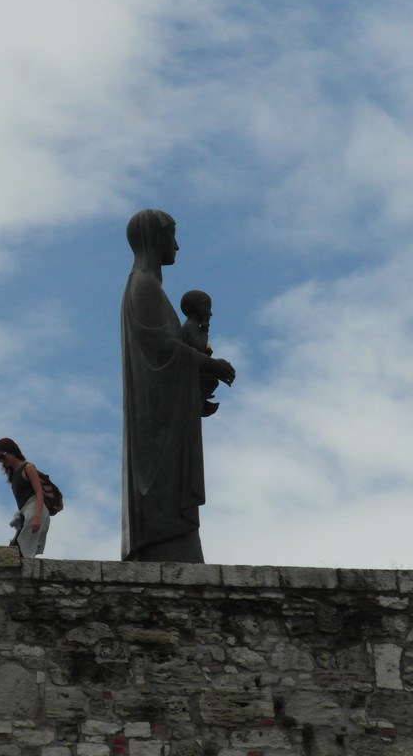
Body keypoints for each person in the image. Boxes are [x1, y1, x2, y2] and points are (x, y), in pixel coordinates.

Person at [121, 210, 235, 563]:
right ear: (156, 238)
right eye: (172, 236)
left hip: (165, 408)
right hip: (157, 420)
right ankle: (167, 544)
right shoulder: (144, 286)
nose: (177, 246)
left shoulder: (147, 286)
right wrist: (212, 364)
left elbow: (169, 354)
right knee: (164, 490)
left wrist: (195, 387)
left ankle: (175, 545)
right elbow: (165, 350)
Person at [0, 437, 50, 557]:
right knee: (17, 548)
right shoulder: (14, 473)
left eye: (2, 457)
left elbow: (39, 492)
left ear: (11, 452)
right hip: (25, 512)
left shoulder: (28, 468)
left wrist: (36, 517)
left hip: (35, 510)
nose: (2, 461)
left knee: (24, 548)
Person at [180, 289, 221, 417]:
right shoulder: (190, 326)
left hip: (194, 368)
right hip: (190, 371)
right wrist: (204, 332)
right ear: (198, 307)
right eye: (208, 308)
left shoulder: (191, 327)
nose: (211, 313)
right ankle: (197, 402)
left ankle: (199, 400)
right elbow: (198, 347)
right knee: (211, 380)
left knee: (210, 380)